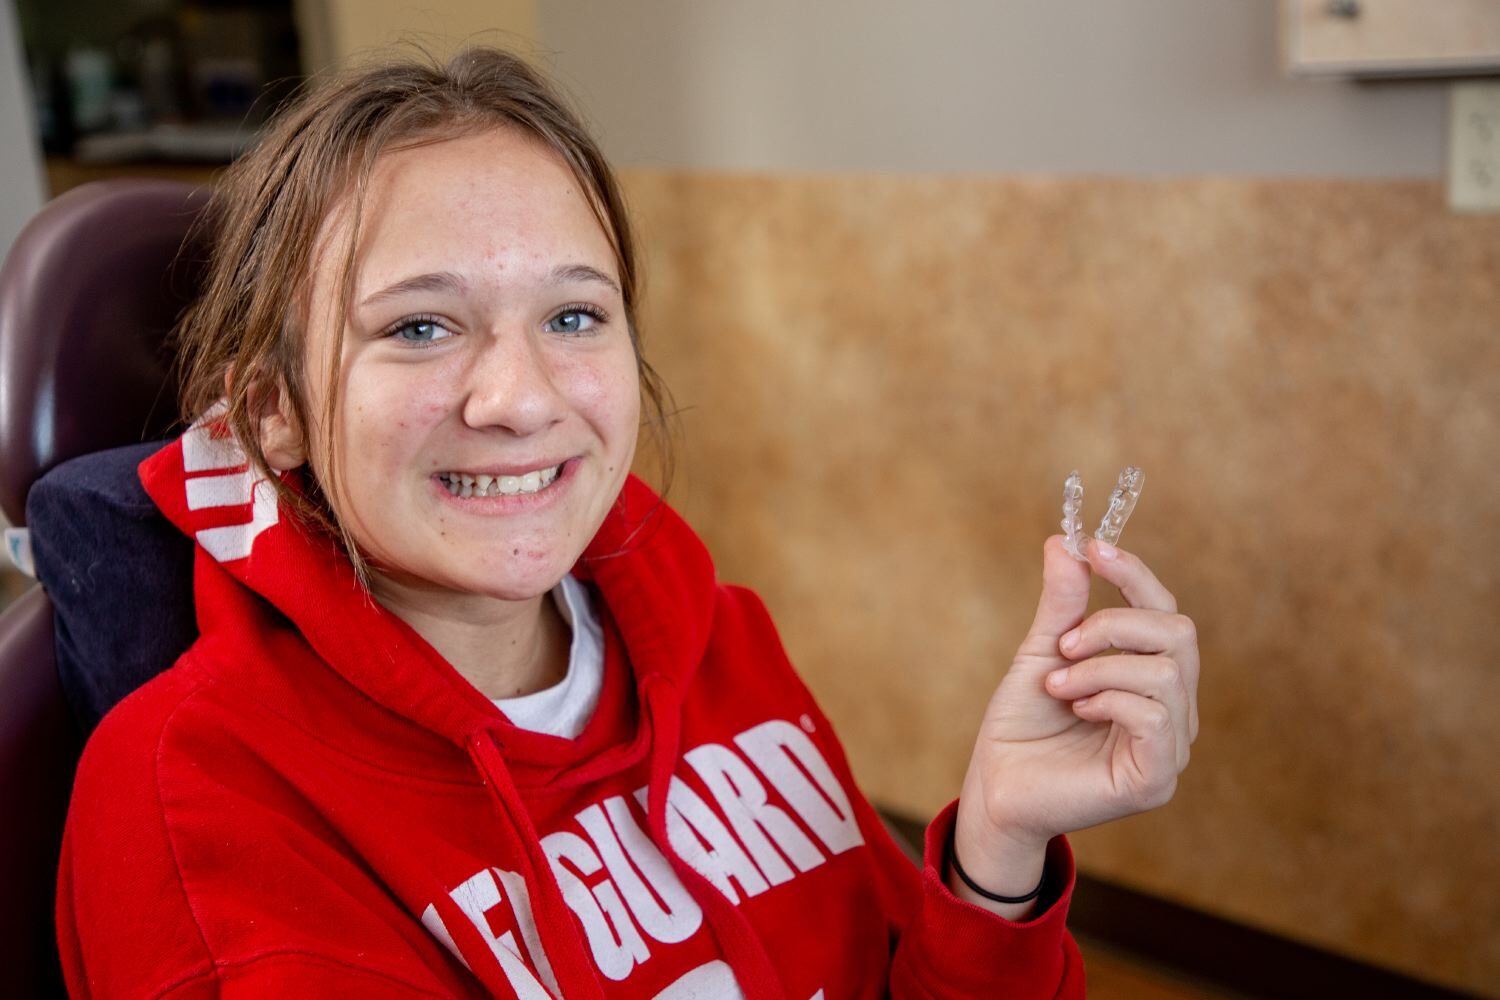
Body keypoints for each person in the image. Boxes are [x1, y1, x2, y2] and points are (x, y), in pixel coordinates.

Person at [55, 48, 1199, 998]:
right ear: (274, 411)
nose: (521, 399)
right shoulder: (198, 800)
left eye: (572, 313)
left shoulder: (719, 643)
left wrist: (997, 844)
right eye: (417, 328)